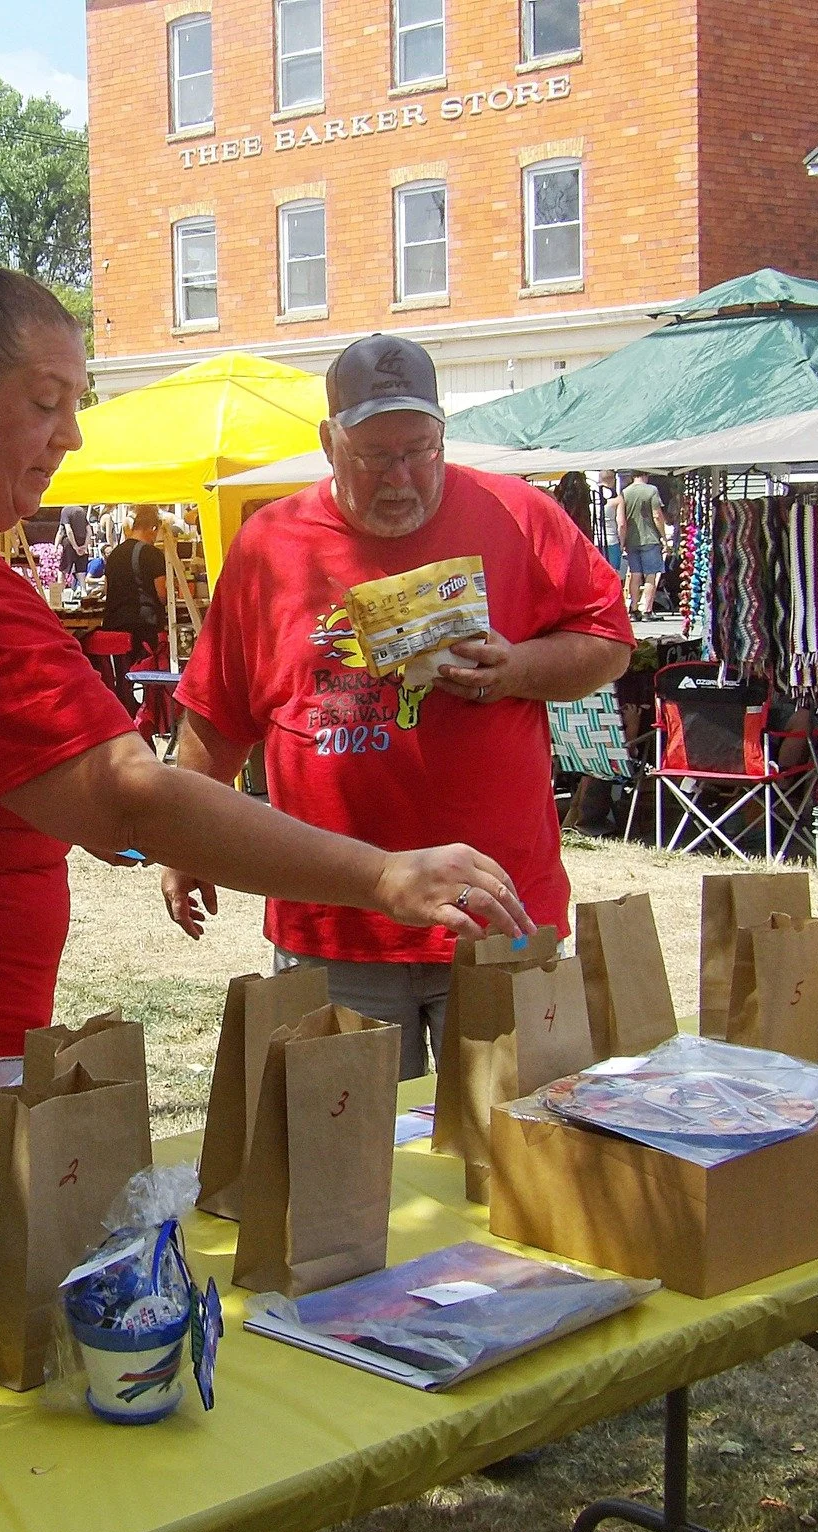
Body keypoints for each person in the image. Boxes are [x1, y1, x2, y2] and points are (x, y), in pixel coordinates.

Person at [0, 244, 531, 1082]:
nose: (71, 436)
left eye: (75, 404)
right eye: (47, 404)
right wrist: (382, 873)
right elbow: (124, 797)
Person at [158, 333, 633, 1080]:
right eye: (375, 457)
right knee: (343, 1165)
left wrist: (517, 667)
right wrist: (185, 835)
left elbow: (609, 639)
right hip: (332, 926)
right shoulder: (269, 544)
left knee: (517, 1156)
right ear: (328, 443)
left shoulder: (520, 515)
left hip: (498, 916)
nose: (401, 478)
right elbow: (218, 714)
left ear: (443, 434)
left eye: (420, 450)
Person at [99, 506, 169, 687]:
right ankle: (148, 710)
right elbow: (163, 595)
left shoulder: (114, 554)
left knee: (124, 678)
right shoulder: (152, 554)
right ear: (153, 529)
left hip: (115, 623)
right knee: (148, 676)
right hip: (145, 625)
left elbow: (107, 589)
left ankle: (126, 708)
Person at [615, 471, 668, 617]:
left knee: (635, 574)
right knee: (651, 574)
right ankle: (647, 609)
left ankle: (633, 608)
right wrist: (663, 536)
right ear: (646, 475)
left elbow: (622, 520)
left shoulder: (625, 492)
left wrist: (623, 541)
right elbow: (657, 515)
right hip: (650, 538)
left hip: (632, 540)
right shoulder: (651, 490)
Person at [59, 504, 91, 587]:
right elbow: (89, 531)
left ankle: (59, 593)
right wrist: (85, 545)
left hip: (69, 543)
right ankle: (83, 591)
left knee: (63, 568)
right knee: (81, 570)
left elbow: (68, 530)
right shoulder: (81, 510)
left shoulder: (65, 510)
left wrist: (75, 546)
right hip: (82, 542)